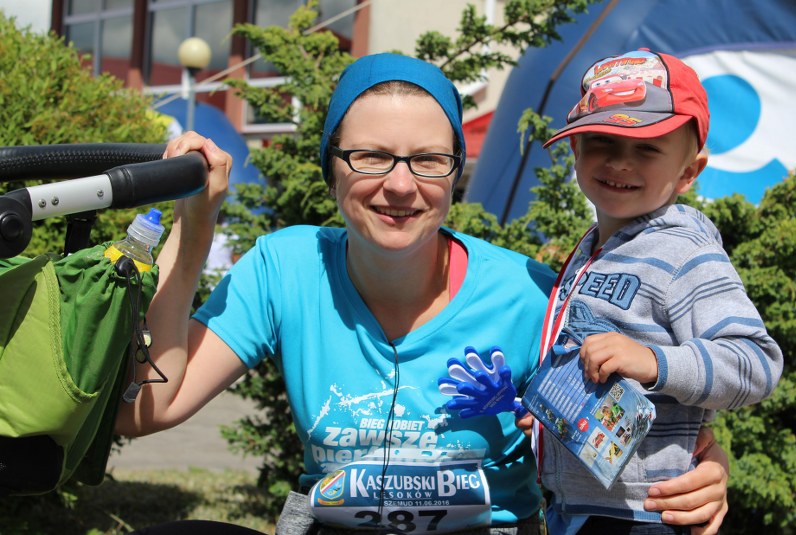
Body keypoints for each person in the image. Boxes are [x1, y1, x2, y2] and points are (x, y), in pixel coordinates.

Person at [116, 52, 731, 534]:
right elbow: (147, 408)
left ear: (454, 173)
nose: (400, 185)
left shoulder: (531, 297)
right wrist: (193, 229)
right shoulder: (287, 268)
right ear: (331, 166)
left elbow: (617, 422)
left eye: (429, 160)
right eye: (371, 156)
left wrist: (703, 464)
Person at [527, 49, 783, 535]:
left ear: (689, 172)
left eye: (647, 148)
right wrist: (549, 420)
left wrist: (654, 361)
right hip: (577, 509)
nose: (620, 162)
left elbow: (755, 362)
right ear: (576, 150)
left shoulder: (684, 251)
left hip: (649, 514)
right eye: (602, 140)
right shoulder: (593, 249)